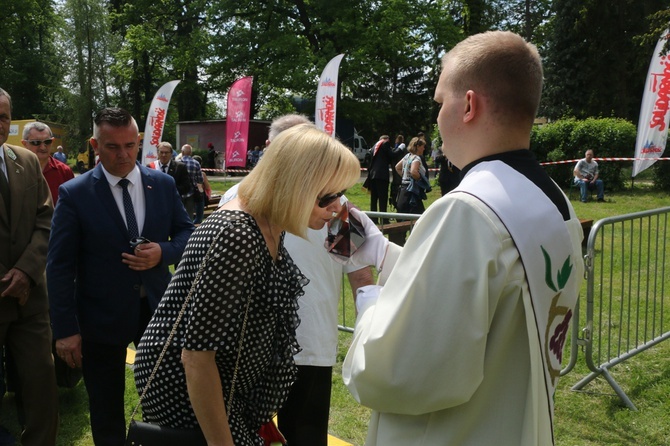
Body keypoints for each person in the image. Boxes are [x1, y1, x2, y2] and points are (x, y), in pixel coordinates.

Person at [339, 31, 585, 445]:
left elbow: (402, 371)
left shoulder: (467, 209)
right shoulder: (549, 196)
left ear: (468, 105)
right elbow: (494, 295)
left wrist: (367, 294)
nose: (436, 117)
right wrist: (383, 251)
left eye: (439, 102)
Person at [134, 124, 361, 446]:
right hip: (187, 393)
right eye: (329, 196)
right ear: (296, 186)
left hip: (223, 387)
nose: (338, 207)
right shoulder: (238, 234)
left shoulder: (268, 223)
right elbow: (196, 358)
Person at [218, 114, 374, 446]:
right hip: (249, 346)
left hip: (310, 344)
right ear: (272, 150)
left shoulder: (339, 205)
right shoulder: (238, 196)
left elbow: (360, 271)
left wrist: (368, 330)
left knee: (304, 436)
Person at [47, 107, 195, 446]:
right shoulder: (75, 193)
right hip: (100, 318)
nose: (124, 154)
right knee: (106, 408)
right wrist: (66, 330)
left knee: (169, 399)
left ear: (139, 141)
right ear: (94, 145)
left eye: (130, 145)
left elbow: (188, 233)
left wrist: (163, 251)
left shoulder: (162, 183)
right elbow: (59, 266)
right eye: (113, 147)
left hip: (158, 311)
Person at [0, 88, 58, 445]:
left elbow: (46, 220)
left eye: (3, 115)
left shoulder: (25, 160)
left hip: (30, 301)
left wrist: (25, 271)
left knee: (41, 389)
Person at [21, 122, 74, 205]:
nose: (43, 147)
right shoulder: (15, 171)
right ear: (25, 144)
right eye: (36, 142)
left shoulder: (64, 171)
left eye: (47, 141)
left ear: (52, 141)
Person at [395, 137, 430, 214]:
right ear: (417, 146)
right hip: (412, 192)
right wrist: (420, 179)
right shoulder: (416, 158)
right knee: (418, 215)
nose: (424, 149)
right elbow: (414, 172)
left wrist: (405, 177)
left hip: (403, 189)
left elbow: (397, 167)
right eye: (423, 146)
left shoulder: (407, 156)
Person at [367, 135, 393, 223]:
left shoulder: (375, 146)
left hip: (373, 175)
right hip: (381, 175)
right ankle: (384, 219)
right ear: (386, 139)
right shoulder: (385, 144)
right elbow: (391, 155)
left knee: (374, 199)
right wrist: (399, 149)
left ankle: (374, 219)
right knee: (383, 198)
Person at [180, 144, 204, 221]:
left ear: (182, 152)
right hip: (191, 192)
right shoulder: (196, 163)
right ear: (191, 153)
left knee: (179, 213)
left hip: (179, 192)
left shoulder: (176, 162)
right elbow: (200, 179)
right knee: (189, 214)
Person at [192, 155, 211, 224]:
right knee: (199, 217)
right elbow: (207, 186)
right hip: (199, 195)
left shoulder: (188, 171)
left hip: (189, 196)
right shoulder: (202, 173)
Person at [389, 135, 406, 210]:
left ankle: (394, 202)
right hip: (400, 174)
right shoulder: (403, 149)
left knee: (395, 189)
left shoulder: (394, 150)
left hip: (394, 175)